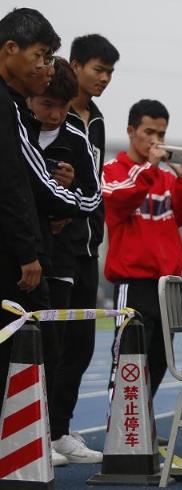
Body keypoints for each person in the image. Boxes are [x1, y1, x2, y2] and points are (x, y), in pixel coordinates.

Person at [25, 59, 104, 463]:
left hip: (61, 257)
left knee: (57, 345)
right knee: (20, 342)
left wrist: (66, 201)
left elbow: (94, 197)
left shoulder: (76, 135)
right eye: (47, 104)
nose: (54, 114)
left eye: (62, 106)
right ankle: (25, 434)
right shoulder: (18, 126)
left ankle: (53, 431)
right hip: (20, 249)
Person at [103, 99, 182, 396]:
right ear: (130, 131)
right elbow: (117, 200)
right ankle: (119, 423)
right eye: (148, 132)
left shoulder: (167, 178)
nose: (155, 141)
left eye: (161, 134)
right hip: (132, 282)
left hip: (166, 284)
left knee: (159, 360)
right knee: (128, 359)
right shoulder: (113, 170)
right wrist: (149, 169)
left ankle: (143, 418)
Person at [63, 35, 118, 447]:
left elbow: (94, 183)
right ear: (75, 65)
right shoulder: (49, 109)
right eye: (98, 69)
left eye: (110, 72)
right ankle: (39, 433)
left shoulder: (96, 119)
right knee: (50, 343)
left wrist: (96, 232)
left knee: (81, 345)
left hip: (86, 247)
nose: (105, 78)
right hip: (54, 246)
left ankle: (60, 429)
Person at [0, 9, 53, 414]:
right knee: (20, 352)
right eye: (40, 55)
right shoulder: (6, 106)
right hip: (11, 257)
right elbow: (10, 181)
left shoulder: (14, 104)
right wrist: (26, 251)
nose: (45, 66)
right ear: (10, 48)